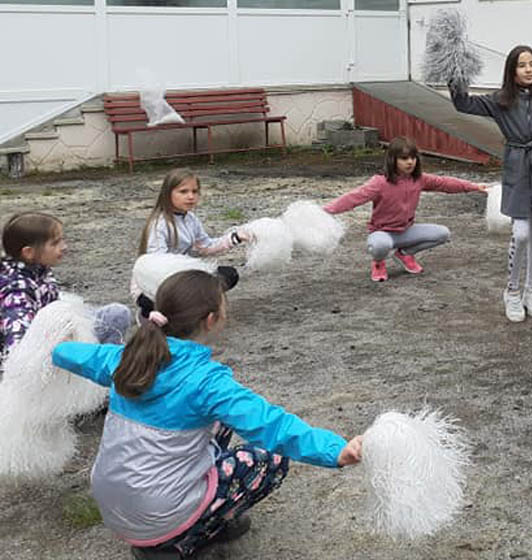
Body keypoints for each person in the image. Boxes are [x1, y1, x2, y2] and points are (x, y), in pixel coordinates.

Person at [52, 269, 364, 559]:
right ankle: (186, 539)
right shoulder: (207, 382)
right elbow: (272, 426)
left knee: (215, 424)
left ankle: (174, 523)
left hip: (112, 501)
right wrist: (336, 451)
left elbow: (71, 354)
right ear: (212, 319)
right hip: (159, 517)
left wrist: (54, 345)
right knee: (271, 459)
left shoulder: (125, 358)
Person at [450, 45, 532, 322]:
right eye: (522, 65)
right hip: (518, 166)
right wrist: (453, 69)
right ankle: (511, 291)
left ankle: (531, 291)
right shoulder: (500, 100)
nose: (528, 69)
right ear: (512, 70)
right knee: (520, 233)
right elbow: (463, 103)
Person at [324, 137, 486, 282]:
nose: (410, 162)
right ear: (392, 160)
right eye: (404, 158)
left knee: (442, 233)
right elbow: (353, 197)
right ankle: (379, 263)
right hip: (382, 233)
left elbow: (444, 183)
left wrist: (474, 186)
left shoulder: (419, 179)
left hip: (406, 232)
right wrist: (326, 210)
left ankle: (404, 254)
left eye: (413, 157)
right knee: (380, 246)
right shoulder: (379, 182)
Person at [1, 212, 133, 372]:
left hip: (57, 333)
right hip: (43, 356)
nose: (64, 247)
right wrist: (59, 344)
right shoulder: (16, 289)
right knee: (113, 318)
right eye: (55, 243)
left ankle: (104, 369)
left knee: (117, 314)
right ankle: (103, 375)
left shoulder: (39, 269)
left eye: (62, 240)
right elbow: (17, 347)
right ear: (28, 252)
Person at [136, 168, 249, 313]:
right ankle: (153, 312)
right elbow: (156, 268)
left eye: (195, 191)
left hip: (181, 277)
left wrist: (235, 237)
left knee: (229, 275)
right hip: (154, 285)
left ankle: (187, 305)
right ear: (167, 193)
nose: (190, 196)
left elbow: (206, 247)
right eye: (183, 192)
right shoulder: (159, 224)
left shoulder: (190, 219)